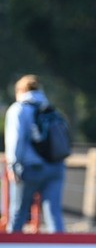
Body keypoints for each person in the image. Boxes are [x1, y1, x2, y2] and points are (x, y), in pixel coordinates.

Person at [4, 75, 66, 233]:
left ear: (20, 90)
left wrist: (13, 167)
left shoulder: (18, 109)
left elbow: (16, 141)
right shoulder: (51, 109)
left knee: (18, 213)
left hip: (30, 168)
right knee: (54, 214)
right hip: (55, 167)